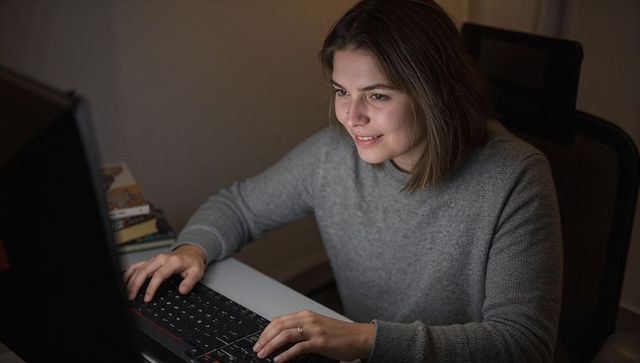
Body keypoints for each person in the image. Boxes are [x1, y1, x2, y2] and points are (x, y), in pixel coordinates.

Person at [124, 0, 563, 362]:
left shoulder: (515, 177)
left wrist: (365, 339)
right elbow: (238, 206)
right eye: (341, 91)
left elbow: (523, 343)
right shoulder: (334, 152)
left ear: (435, 92)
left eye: (376, 95)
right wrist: (192, 249)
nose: (351, 118)